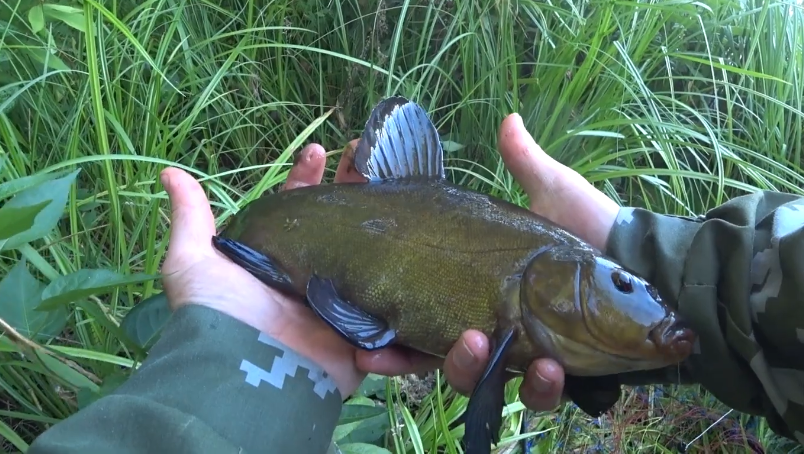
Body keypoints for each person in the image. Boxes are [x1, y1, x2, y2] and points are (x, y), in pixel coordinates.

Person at [27, 113, 804, 454]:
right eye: (626, 287)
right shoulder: (546, 280)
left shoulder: (548, 295)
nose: (645, 306)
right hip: (280, 250)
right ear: (566, 278)